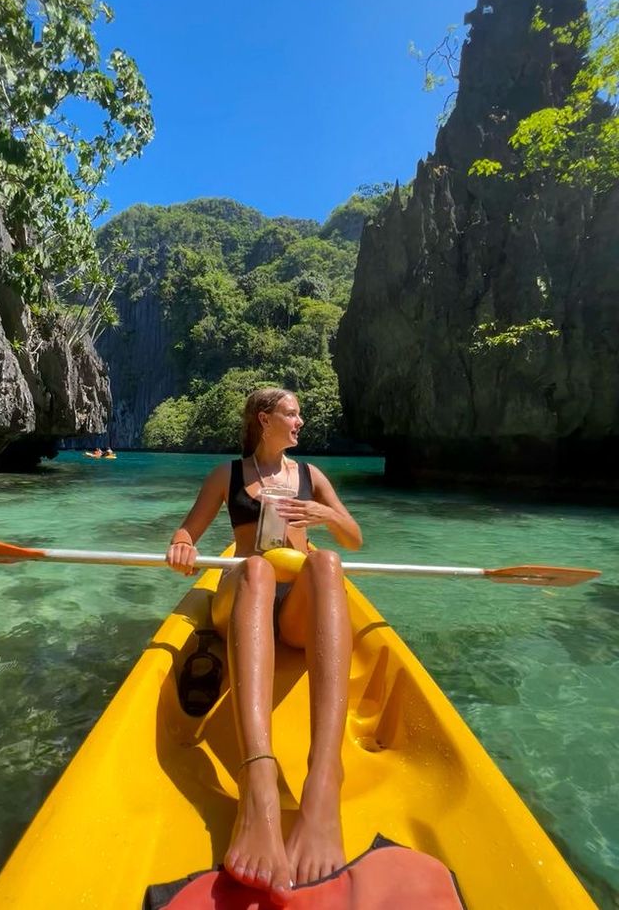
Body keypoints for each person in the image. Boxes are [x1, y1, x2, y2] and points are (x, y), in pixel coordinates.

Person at [166, 387, 362, 904]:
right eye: (293, 413)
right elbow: (188, 531)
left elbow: (353, 538)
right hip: (242, 599)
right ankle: (258, 783)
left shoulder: (311, 477)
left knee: (326, 563)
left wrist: (327, 519)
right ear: (265, 418)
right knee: (254, 565)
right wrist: (183, 546)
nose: (301, 421)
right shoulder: (227, 476)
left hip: (295, 605)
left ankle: (324, 779)